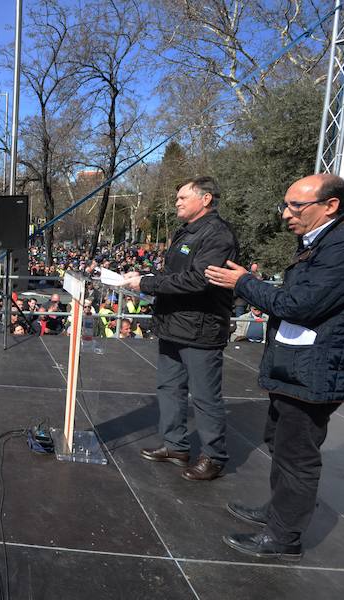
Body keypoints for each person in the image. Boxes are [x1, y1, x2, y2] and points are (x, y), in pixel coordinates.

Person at [205, 173, 344, 560]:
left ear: (330, 205)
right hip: (297, 364)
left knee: (297, 453)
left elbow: (300, 305)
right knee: (278, 438)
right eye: (285, 205)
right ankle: (280, 509)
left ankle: (284, 536)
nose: (286, 214)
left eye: (295, 206)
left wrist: (244, 283)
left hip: (316, 367)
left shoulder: (343, 246)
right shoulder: (321, 240)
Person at [124, 176, 239, 481]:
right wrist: (147, 275)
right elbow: (174, 273)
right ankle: (176, 445)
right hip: (173, 324)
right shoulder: (185, 232)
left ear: (205, 199)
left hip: (201, 328)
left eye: (182, 197)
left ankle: (214, 456)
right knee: (170, 387)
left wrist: (147, 283)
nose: (176, 202)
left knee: (204, 396)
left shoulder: (217, 235)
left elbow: (200, 280)